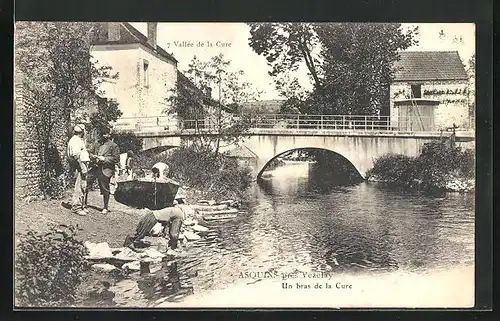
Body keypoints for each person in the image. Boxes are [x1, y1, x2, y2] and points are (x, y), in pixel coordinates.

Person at [123, 201, 188, 252]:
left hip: (150, 215)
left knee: (139, 232)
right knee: (140, 234)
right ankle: (128, 248)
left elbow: (169, 226)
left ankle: (127, 246)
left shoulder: (176, 210)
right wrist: (174, 246)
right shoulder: (180, 216)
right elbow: (174, 233)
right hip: (152, 218)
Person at [85, 127, 120, 214]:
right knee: (86, 182)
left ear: (109, 135)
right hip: (95, 167)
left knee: (105, 188)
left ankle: (105, 207)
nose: (104, 136)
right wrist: (92, 156)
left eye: (106, 134)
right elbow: (89, 152)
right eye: (103, 134)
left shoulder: (113, 145)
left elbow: (116, 159)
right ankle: (83, 204)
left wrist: (104, 159)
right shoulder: (97, 143)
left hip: (106, 169)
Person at [67, 124, 90, 216]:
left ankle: (81, 206)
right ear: (82, 132)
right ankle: (76, 207)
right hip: (79, 165)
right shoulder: (75, 140)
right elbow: (76, 155)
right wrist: (82, 167)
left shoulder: (78, 140)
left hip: (82, 164)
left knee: (83, 186)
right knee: (79, 186)